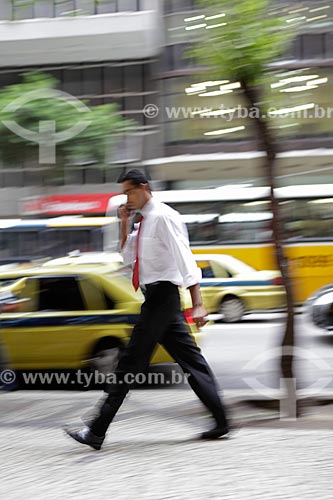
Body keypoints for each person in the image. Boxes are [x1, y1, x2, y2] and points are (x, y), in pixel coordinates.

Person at [65, 169, 229, 450]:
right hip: (157, 299)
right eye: (124, 193)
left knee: (128, 364)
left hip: (162, 298)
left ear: (144, 188)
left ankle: (97, 430)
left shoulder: (164, 217)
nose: (126, 198)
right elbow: (128, 259)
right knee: (192, 362)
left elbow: (185, 259)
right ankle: (222, 421)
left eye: (129, 192)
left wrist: (198, 302)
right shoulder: (142, 222)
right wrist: (124, 223)